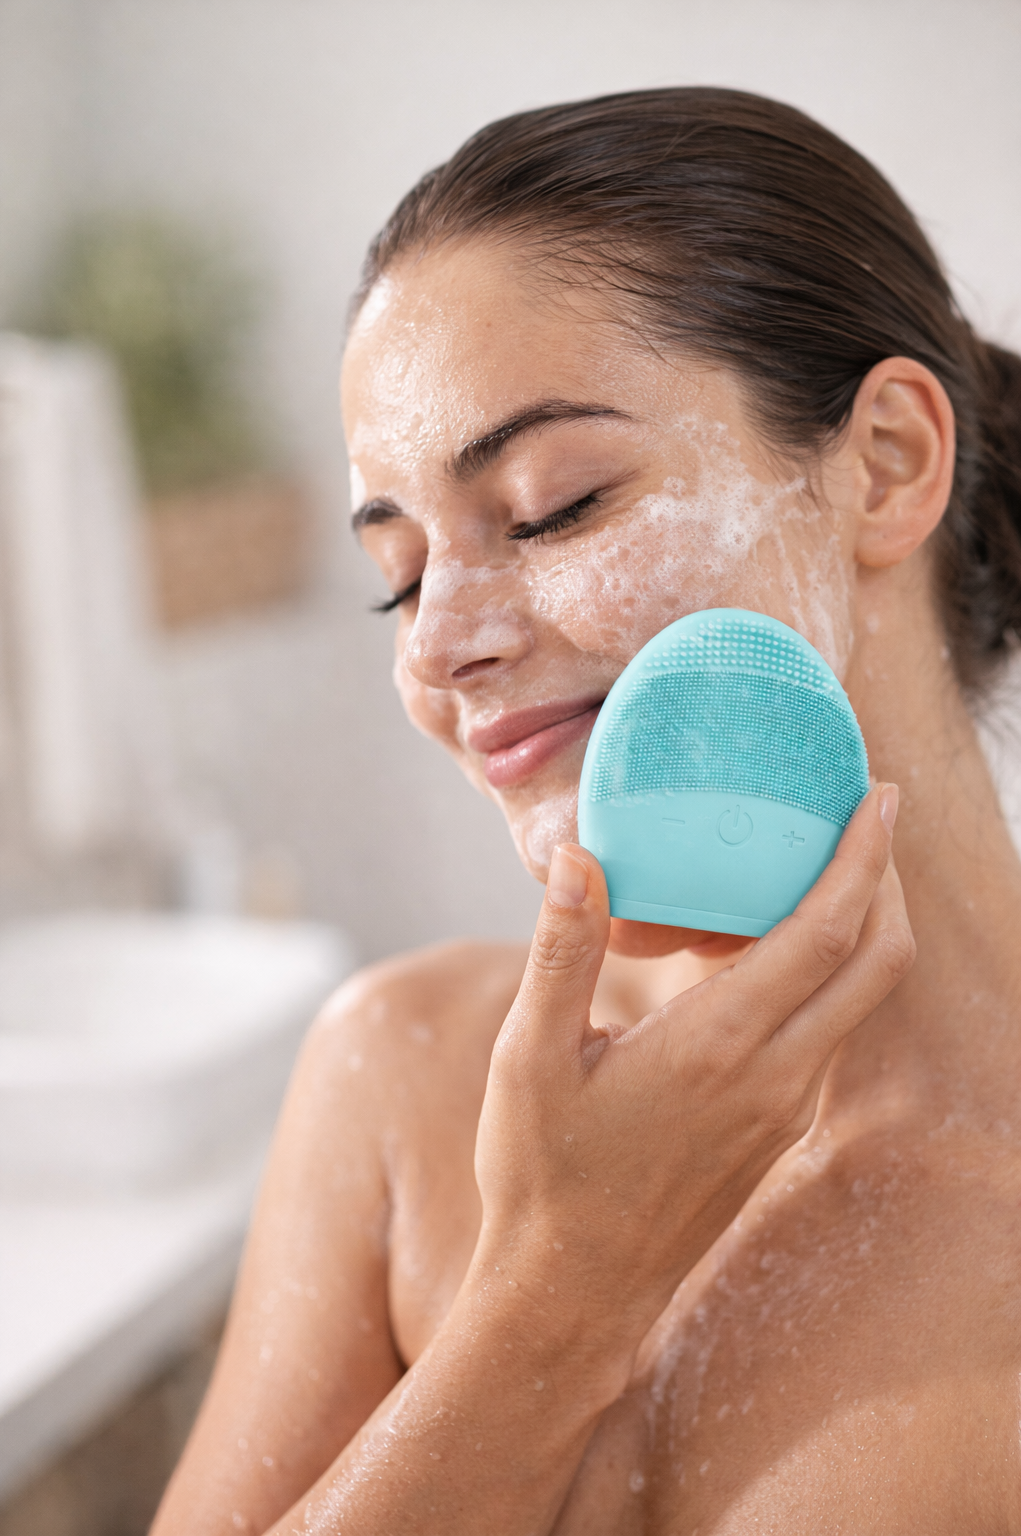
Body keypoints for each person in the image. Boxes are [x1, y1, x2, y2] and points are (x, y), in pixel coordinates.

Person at [152, 89, 1021, 1534]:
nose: (436, 644)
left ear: (886, 464)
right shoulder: (397, 1080)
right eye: (402, 569)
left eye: (554, 506)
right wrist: (556, 1295)